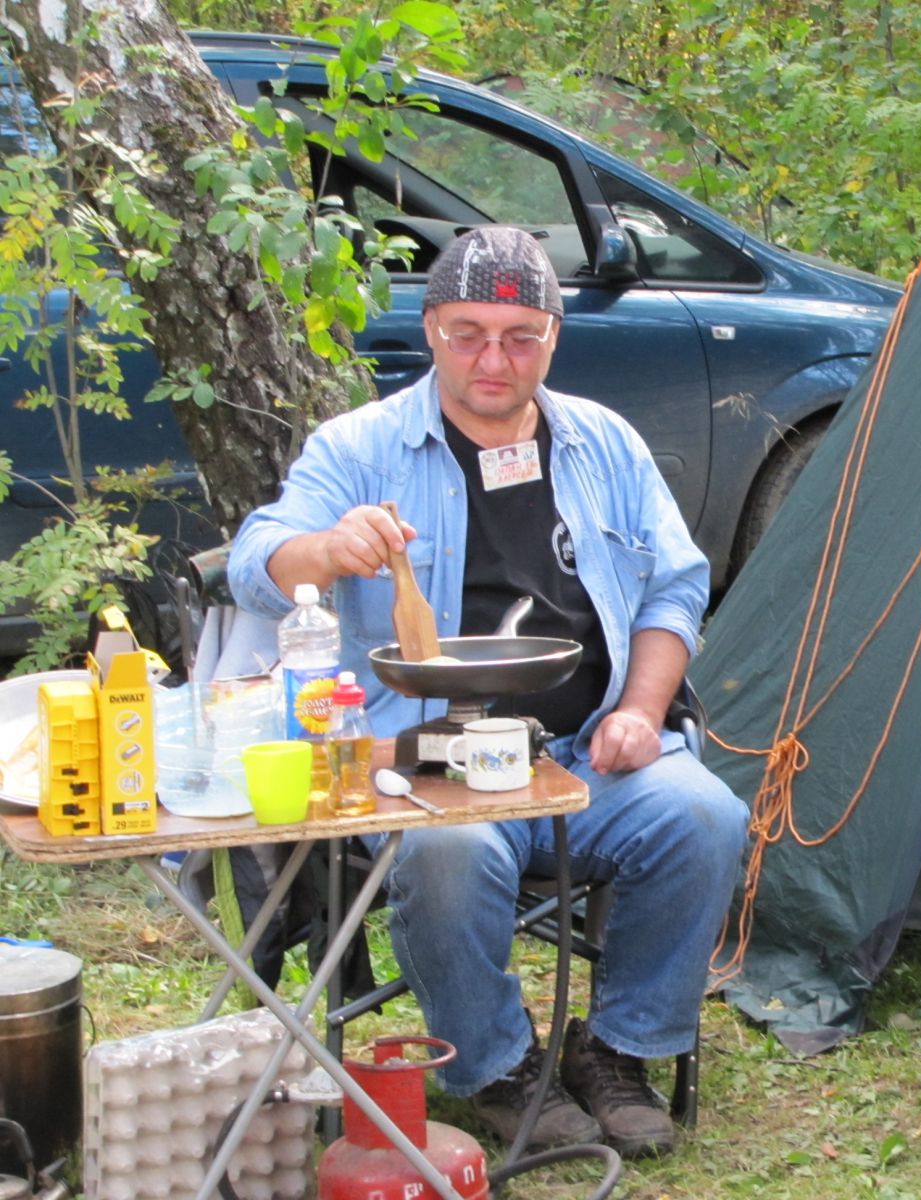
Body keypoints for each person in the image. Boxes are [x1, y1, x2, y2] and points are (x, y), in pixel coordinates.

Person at [228, 226, 749, 1158]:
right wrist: (326, 549)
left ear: (554, 337)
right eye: (467, 334)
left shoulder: (604, 444)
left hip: (587, 752)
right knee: (449, 853)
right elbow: (252, 564)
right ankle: (502, 1069)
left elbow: (674, 588)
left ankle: (618, 1050)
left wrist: (640, 711)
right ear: (431, 328)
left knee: (704, 817)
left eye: (519, 336)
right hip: (427, 768)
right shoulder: (361, 448)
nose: (493, 360)